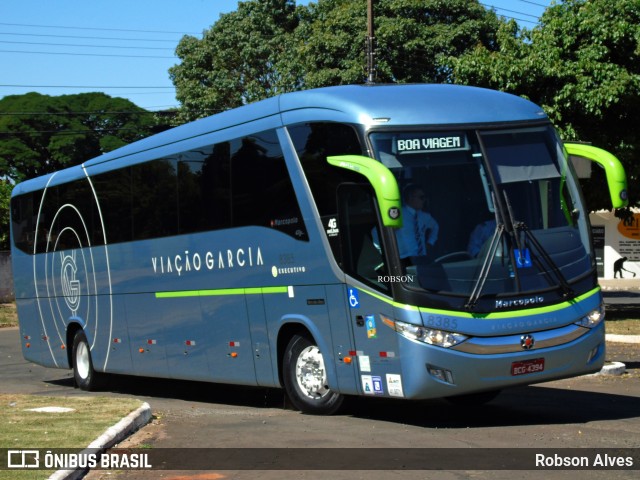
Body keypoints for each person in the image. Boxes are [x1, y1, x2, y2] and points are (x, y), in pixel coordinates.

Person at [396, 184, 439, 263]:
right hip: (405, 259)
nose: (424, 200)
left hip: (422, 258)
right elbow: (378, 232)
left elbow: (435, 227)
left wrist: (430, 243)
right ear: (410, 197)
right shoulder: (398, 215)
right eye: (421, 197)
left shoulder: (425, 216)